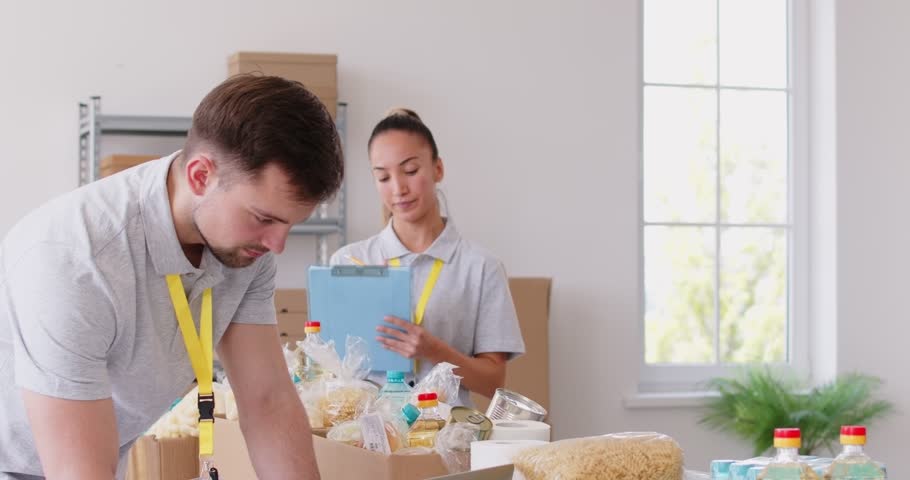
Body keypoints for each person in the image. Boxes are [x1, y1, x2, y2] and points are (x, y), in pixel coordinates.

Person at [0, 74, 343, 479]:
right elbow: (77, 470)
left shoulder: (246, 247)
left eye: (289, 224)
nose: (277, 245)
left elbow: (267, 402)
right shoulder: (77, 261)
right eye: (264, 218)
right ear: (200, 176)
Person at [330, 108, 525, 407]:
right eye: (383, 177)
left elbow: (493, 382)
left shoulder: (481, 268)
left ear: (438, 169)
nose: (398, 189)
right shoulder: (348, 262)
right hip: (368, 430)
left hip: (447, 431)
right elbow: (332, 371)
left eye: (410, 171)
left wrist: (433, 350)